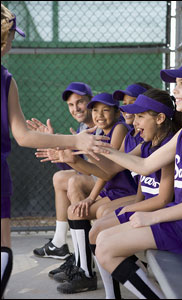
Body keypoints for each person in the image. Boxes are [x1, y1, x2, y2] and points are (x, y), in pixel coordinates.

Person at [1, 4, 109, 297]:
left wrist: (63, 145)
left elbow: (103, 171)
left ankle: (67, 248)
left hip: (109, 190)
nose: (13, 41)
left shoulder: (106, 128)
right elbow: (23, 136)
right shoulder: (6, 80)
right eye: (11, 35)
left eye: (82, 103)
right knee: (2, 250)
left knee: (68, 180)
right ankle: (65, 246)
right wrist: (66, 144)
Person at [93, 59, 182, 299]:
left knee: (107, 248)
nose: (175, 90)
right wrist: (103, 149)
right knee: (103, 240)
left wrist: (154, 216)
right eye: (176, 84)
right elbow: (144, 165)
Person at [40, 93, 138, 294]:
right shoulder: (99, 130)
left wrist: (73, 156)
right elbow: (97, 170)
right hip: (113, 190)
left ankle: (89, 271)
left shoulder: (119, 128)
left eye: (105, 109)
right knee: (75, 210)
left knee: (94, 212)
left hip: (124, 192)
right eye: (95, 110)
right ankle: (82, 268)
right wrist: (66, 154)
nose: (99, 115)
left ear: (116, 112)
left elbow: (108, 169)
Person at [28, 82, 103, 261]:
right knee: (60, 177)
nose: (75, 108)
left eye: (80, 102)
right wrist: (55, 146)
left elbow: (100, 170)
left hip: (109, 181)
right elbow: (76, 167)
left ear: (90, 101)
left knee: (74, 182)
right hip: (94, 176)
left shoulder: (100, 124)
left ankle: (83, 258)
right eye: (71, 104)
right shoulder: (83, 128)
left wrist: (64, 149)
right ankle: (59, 242)